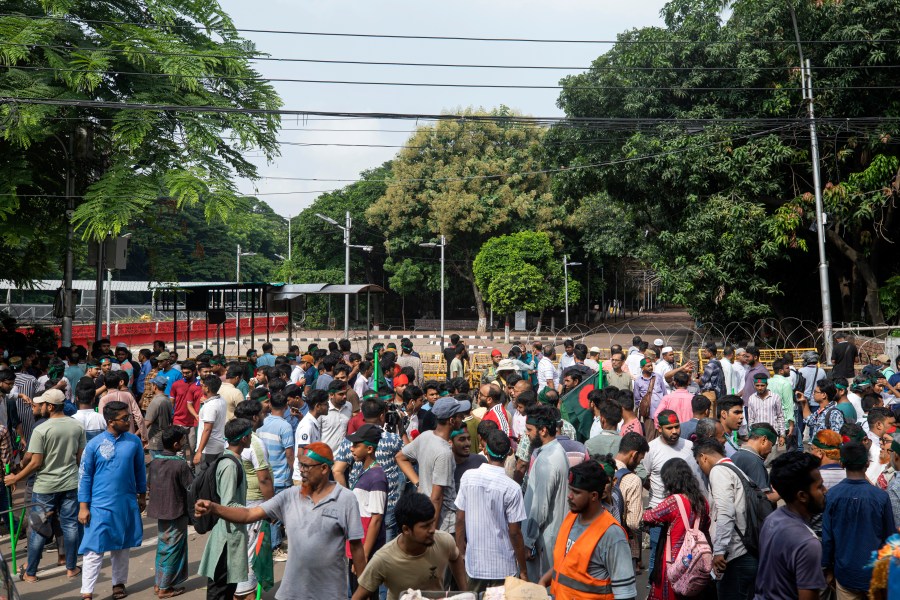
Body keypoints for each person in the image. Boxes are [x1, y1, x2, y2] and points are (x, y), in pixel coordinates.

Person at [197, 441, 367, 600]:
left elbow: (356, 547)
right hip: (291, 593)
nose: (301, 470)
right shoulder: (290, 496)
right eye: (300, 465)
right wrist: (214, 508)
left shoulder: (346, 499)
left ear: (324, 468)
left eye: (307, 466)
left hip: (330, 594)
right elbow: (248, 515)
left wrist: (363, 589)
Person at [3, 388, 85, 581]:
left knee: (39, 529)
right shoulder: (76, 426)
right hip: (70, 484)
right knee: (70, 527)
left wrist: (16, 478)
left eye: (43, 404)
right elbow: (80, 458)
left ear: (50, 406)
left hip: (45, 488)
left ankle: (31, 572)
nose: (38, 406)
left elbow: (35, 463)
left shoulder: (41, 429)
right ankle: (71, 568)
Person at [537, 460, 637, 600]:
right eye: (570, 489)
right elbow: (564, 566)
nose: (569, 496)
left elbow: (626, 594)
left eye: (576, 492)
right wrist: (542, 582)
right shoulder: (571, 518)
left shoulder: (612, 535)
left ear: (594, 496)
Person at [78, 400, 147, 600]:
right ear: (110, 421)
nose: (129, 421)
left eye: (129, 417)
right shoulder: (94, 445)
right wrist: (83, 506)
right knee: (94, 549)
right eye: (124, 418)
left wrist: (142, 496)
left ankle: (118, 584)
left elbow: (140, 470)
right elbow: (85, 477)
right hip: (99, 505)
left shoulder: (133, 442)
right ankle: (87, 592)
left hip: (125, 503)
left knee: (122, 547)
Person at [353, 492, 466, 600]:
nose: (432, 530)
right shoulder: (383, 559)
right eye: (425, 526)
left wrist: (466, 593)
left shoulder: (444, 541)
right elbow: (359, 596)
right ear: (406, 529)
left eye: (432, 522)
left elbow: (455, 558)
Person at [455, 429, 528, 592]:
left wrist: (460, 553)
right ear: (509, 452)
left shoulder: (468, 477)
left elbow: (459, 519)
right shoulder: (513, 488)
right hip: (503, 568)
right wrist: (523, 570)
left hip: (475, 565)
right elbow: (515, 533)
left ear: (485, 449)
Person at [822, 441, 895, 599]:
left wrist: (827, 569)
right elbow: (889, 537)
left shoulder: (832, 495)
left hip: (845, 573)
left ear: (842, 464)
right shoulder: (881, 497)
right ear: (867, 464)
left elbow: (827, 538)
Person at [754, 451, 827, 600]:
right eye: (820, 487)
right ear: (802, 496)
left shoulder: (772, 519)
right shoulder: (808, 543)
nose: (825, 491)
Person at [693, 438, 757, 600]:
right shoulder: (735, 470)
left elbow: (726, 512)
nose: (701, 468)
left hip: (735, 556)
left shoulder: (719, 471)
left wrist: (719, 550)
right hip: (747, 552)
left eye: (699, 463)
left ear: (704, 457)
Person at [196, 419, 252, 599]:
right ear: (243, 439)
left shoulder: (233, 459)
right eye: (249, 434)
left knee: (226, 589)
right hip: (227, 537)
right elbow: (228, 505)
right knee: (220, 590)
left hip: (230, 533)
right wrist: (254, 513)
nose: (251, 437)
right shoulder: (229, 465)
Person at [641, 457, 711, 600]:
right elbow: (706, 525)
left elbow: (649, 516)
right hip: (695, 558)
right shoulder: (702, 501)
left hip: (674, 560)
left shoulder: (674, 501)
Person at [396, 396, 467, 532]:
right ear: (451, 421)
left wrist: (418, 483)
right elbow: (437, 497)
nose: (462, 418)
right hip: (443, 523)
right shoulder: (444, 452)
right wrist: (431, 531)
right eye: (459, 416)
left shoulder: (426, 436)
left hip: (426, 514)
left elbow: (400, 457)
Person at [641, 410, 699, 574]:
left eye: (677, 427)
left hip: (685, 513)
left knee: (684, 555)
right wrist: (659, 493)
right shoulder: (650, 449)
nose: (674, 431)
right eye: (669, 428)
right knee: (656, 555)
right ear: (659, 428)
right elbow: (644, 476)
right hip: (658, 513)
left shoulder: (689, 446)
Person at [522, 404, 571, 582]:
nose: (527, 434)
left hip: (545, 541)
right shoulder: (555, 452)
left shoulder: (547, 461)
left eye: (529, 430)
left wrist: (528, 541)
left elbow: (540, 507)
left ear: (542, 430)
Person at [146, 426, 194, 599]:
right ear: (175, 444)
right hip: (176, 511)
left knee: (164, 547)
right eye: (182, 441)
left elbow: (150, 484)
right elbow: (191, 488)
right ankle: (165, 587)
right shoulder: (180, 465)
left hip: (160, 510)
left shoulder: (155, 462)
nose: (183, 443)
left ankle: (160, 583)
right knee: (173, 549)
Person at [614, 432, 649, 574]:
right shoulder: (633, 480)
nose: (638, 464)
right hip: (622, 545)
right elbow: (634, 522)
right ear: (633, 455)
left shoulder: (603, 467)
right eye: (639, 460)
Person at [731, 423, 779, 501]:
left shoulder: (736, 455)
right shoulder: (754, 462)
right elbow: (764, 500)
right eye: (771, 445)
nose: (770, 451)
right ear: (764, 440)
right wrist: (781, 494)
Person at [292, 389, 330, 484]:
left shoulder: (312, 423)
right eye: (326, 404)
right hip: (304, 478)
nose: (328, 406)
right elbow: (301, 454)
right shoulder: (307, 426)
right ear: (317, 406)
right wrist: (306, 476)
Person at [194, 375, 227, 470]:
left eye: (203, 385)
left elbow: (207, 429)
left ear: (207, 388)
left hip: (208, 450)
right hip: (218, 446)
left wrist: (199, 451)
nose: (201, 387)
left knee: (202, 480)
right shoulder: (221, 400)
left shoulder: (211, 406)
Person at [746, 374, 785, 445]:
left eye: (762, 385)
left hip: (772, 435)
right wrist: (751, 434)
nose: (760, 388)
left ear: (767, 385)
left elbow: (780, 417)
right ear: (754, 385)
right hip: (757, 436)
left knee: (772, 456)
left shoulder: (775, 397)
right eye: (757, 385)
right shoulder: (751, 398)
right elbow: (751, 419)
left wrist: (782, 435)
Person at [145, 374, 174, 459]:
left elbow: (147, 422)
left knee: (157, 466)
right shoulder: (167, 400)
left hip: (155, 439)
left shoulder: (156, 401)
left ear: (155, 386)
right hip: (163, 438)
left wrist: (136, 434)